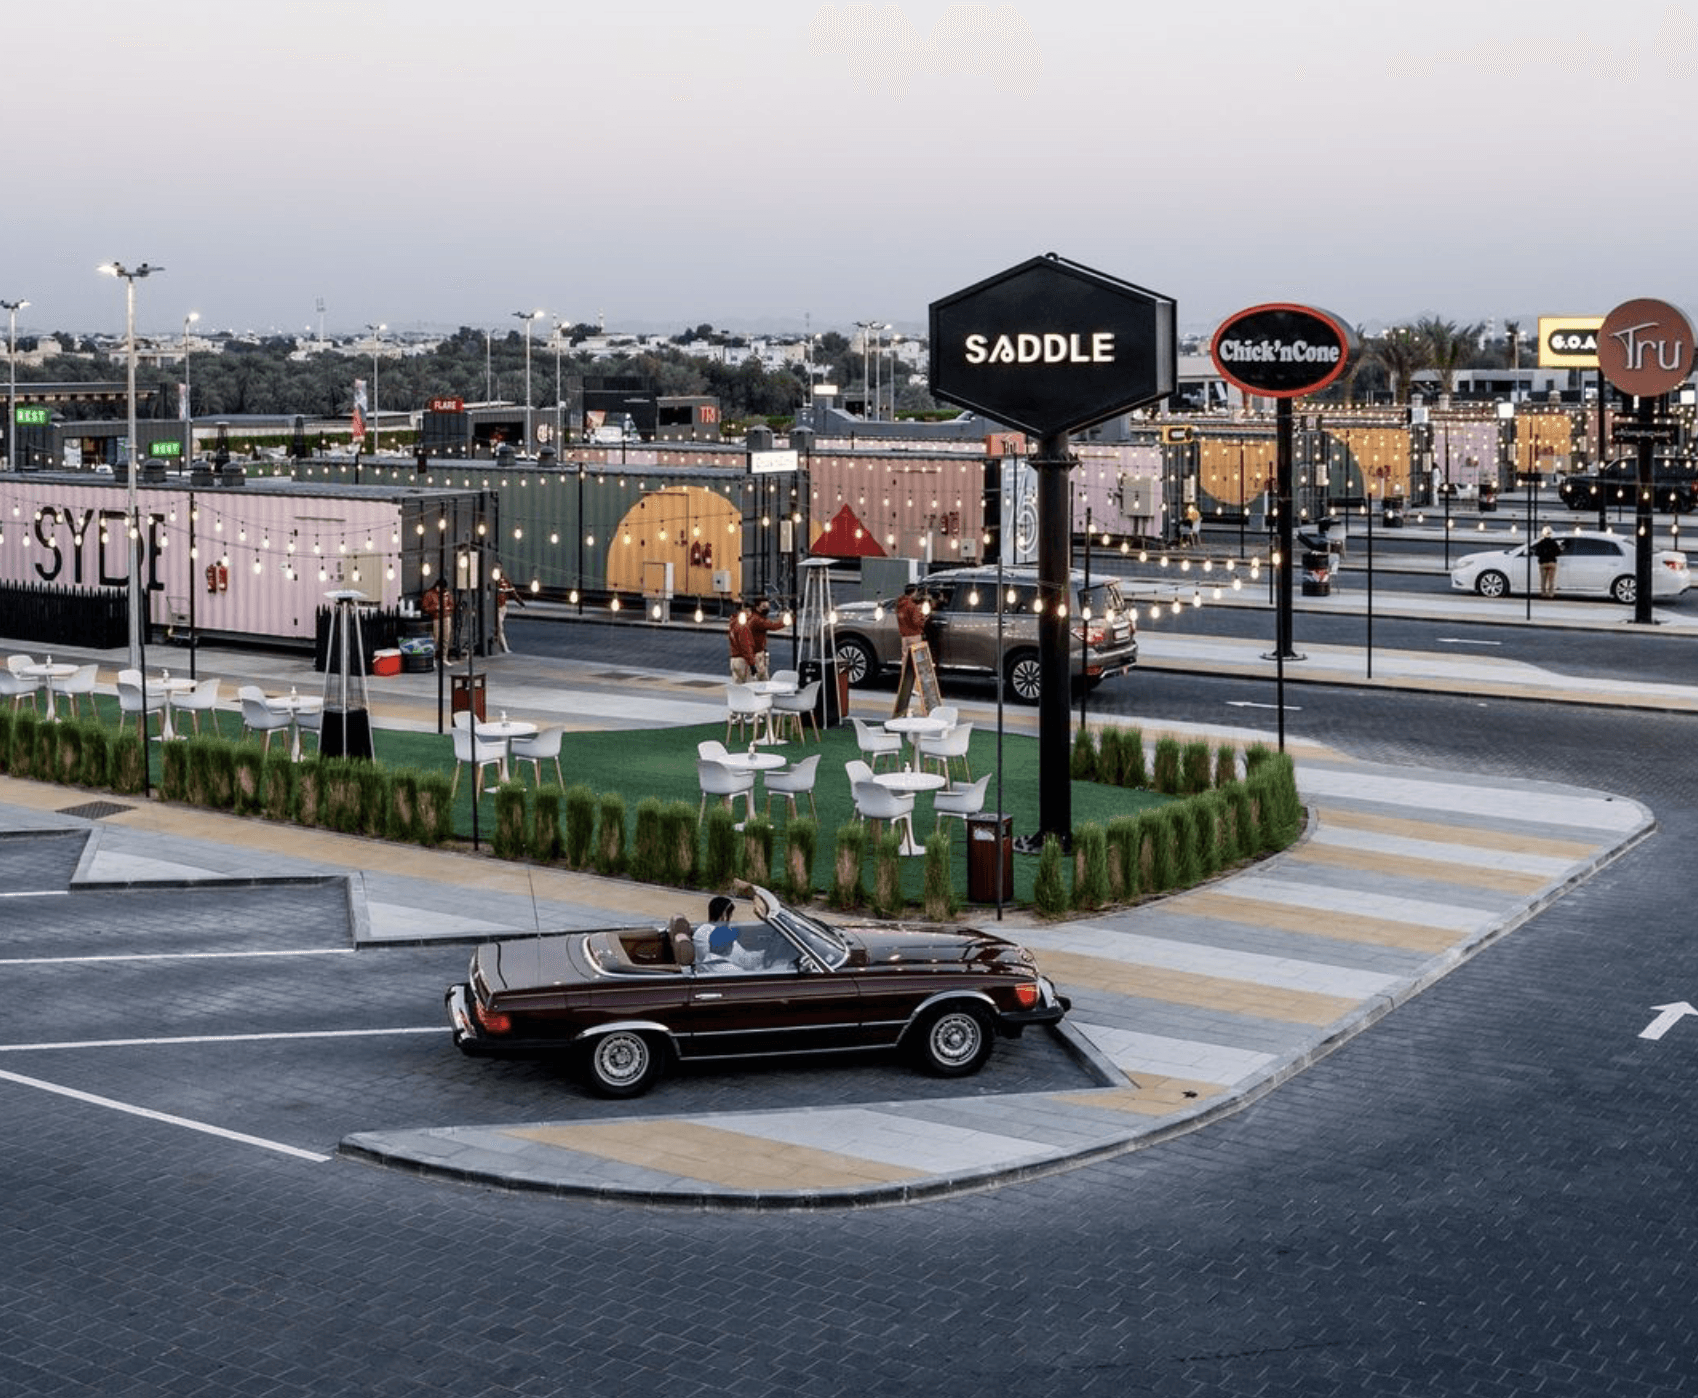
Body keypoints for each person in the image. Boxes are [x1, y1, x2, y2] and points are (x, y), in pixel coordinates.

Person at [693, 895, 764, 973]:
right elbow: (745, 960)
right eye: (730, 914)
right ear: (724, 915)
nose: (731, 917)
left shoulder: (703, 931)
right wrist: (765, 955)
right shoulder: (721, 934)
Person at [745, 597, 786, 682]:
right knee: (763, 678)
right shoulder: (757, 619)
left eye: (767, 606)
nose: (767, 609)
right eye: (764, 606)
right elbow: (773, 626)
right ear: (757, 607)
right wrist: (786, 621)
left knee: (757, 677)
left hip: (754, 652)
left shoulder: (754, 617)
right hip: (756, 653)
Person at [421, 578, 456, 662]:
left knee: (446, 637)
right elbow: (424, 607)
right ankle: (432, 658)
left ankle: (444, 657)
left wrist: (448, 608)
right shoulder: (430, 594)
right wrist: (435, 607)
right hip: (436, 617)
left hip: (446, 616)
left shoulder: (447, 594)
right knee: (435, 638)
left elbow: (452, 605)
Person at [493, 571, 525, 654]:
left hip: (501, 607)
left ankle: (498, 645)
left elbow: (512, 592)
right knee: (499, 628)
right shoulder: (504, 581)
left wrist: (520, 601)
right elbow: (512, 592)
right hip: (499, 607)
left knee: (498, 628)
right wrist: (520, 601)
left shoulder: (499, 581)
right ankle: (504, 647)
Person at [727, 606, 757, 684]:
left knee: (737, 686)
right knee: (748, 686)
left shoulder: (733, 623)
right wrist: (752, 664)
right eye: (750, 611)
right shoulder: (743, 627)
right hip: (743, 661)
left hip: (734, 659)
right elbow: (746, 646)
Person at [1533, 527, 1563, 598]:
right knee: (1551, 580)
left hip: (1543, 563)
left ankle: (1543, 593)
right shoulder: (1554, 543)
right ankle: (1550, 594)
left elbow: (1537, 553)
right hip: (1552, 563)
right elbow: (1558, 552)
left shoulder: (1540, 543)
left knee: (1543, 580)